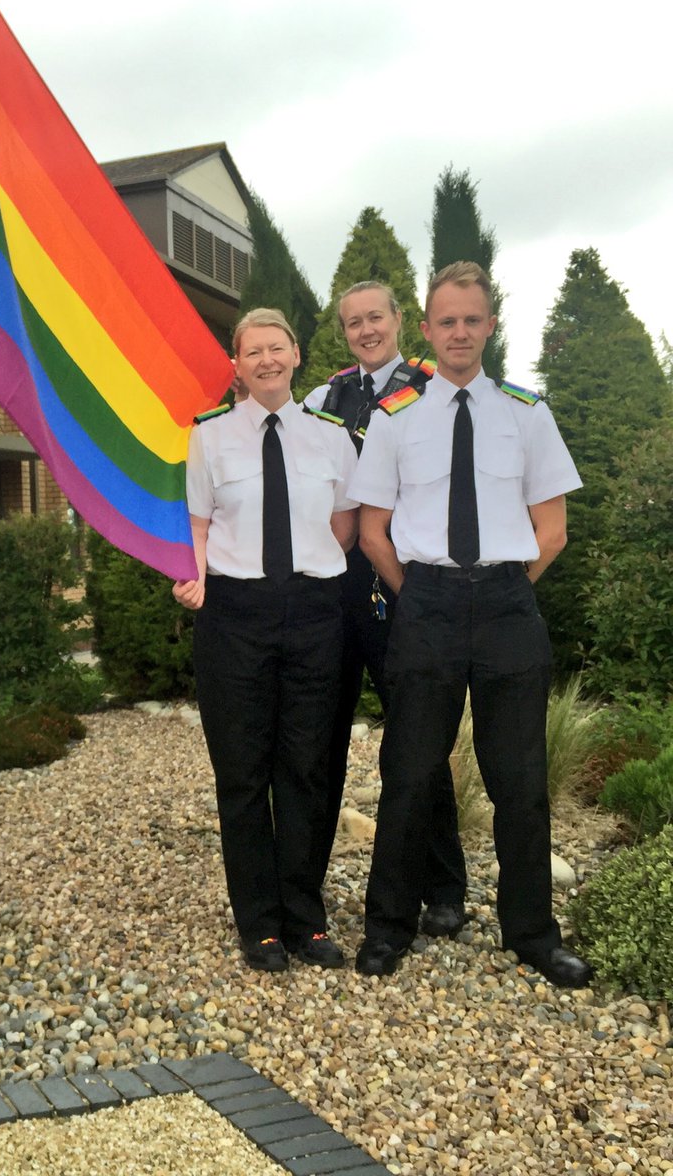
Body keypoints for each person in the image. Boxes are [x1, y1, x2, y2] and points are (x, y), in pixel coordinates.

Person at [349, 261, 592, 988]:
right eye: (447, 321)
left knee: (520, 780)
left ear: (490, 326)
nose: (459, 332)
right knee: (408, 774)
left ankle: (533, 934)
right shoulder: (396, 417)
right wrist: (424, 595)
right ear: (427, 329)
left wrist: (500, 592)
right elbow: (373, 533)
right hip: (425, 606)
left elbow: (552, 532)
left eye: (472, 320)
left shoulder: (527, 413)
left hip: (507, 609)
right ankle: (388, 928)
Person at [173, 308, 357, 972]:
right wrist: (194, 576)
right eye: (253, 352)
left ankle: (305, 919)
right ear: (237, 365)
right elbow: (197, 523)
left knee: (306, 767)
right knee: (244, 771)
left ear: (296, 354)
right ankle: (260, 924)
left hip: (313, 613)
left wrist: (307, 570)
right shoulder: (209, 436)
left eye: (276, 348)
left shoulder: (333, 436)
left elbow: (344, 525)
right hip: (235, 616)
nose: (267, 360)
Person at [304, 282, 468, 939]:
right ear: (343, 332)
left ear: (400, 321)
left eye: (376, 317)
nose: (366, 330)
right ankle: (303, 888)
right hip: (334, 594)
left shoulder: (436, 389)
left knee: (419, 748)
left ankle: (443, 888)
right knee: (318, 744)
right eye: (354, 323)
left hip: (407, 590)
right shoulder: (324, 399)